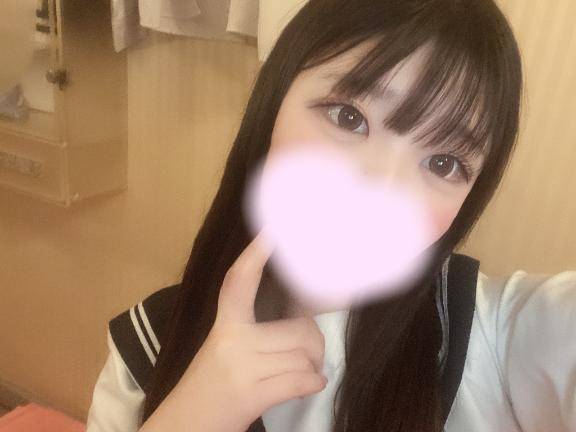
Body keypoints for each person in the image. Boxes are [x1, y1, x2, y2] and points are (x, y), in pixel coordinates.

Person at [86, 0, 576, 431]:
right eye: (349, 117)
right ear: (273, 107)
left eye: (444, 164)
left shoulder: (493, 337)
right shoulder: (147, 349)